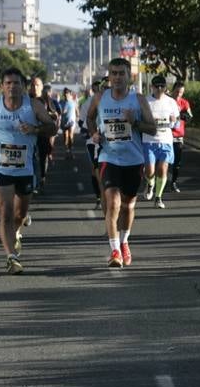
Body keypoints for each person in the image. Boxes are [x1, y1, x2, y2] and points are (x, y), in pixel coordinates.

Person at [0, 67, 56, 274]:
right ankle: (11, 258)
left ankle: (17, 231)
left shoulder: (34, 106)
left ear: (23, 87)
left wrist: (35, 129)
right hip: (0, 167)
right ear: (2, 86)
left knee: (20, 214)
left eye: (16, 83)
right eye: (8, 83)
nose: (12, 87)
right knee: (6, 212)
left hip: (25, 168)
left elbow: (52, 128)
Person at [86, 58, 156, 267]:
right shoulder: (100, 98)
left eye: (121, 73)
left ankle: (124, 242)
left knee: (127, 206)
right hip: (109, 158)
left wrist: (135, 122)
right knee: (113, 203)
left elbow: (152, 128)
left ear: (129, 76)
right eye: (113, 73)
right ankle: (115, 250)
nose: (117, 77)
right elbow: (89, 119)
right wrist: (94, 133)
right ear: (109, 76)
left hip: (134, 160)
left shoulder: (138, 100)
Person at [143, 75, 181, 208]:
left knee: (162, 170)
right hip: (149, 140)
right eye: (156, 86)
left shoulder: (171, 102)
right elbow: (139, 120)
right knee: (150, 171)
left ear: (165, 87)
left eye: (162, 86)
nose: (159, 89)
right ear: (152, 87)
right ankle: (150, 184)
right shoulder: (146, 101)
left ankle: (158, 197)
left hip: (166, 140)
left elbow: (177, 123)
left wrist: (174, 121)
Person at [78, 79, 105, 208]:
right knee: (96, 170)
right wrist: (93, 133)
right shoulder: (89, 103)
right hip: (93, 142)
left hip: (114, 143)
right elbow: (82, 123)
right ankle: (99, 197)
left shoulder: (121, 101)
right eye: (102, 88)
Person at [169, 80, 192, 193]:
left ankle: (173, 182)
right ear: (173, 90)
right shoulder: (167, 101)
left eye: (181, 92)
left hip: (178, 136)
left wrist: (184, 116)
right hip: (165, 135)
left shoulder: (184, 103)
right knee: (162, 162)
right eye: (177, 92)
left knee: (177, 163)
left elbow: (190, 116)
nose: (178, 94)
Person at [58, 88, 78, 158]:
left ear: (70, 94)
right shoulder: (61, 102)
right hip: (64, 121)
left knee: (70, 135)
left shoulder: (73, 102)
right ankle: (67, 150)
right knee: (65, 136)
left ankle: (70, 150)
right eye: (65, 93)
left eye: (67, 93)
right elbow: (59, 111)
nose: (66, 95)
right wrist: (61, 113)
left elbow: (77, 110)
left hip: (71, 121)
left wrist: (78, 117)